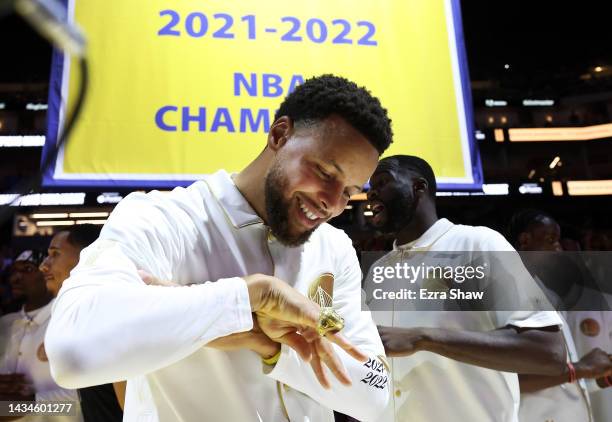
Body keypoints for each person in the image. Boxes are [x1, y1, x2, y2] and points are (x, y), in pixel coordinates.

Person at [45, 75, 393, 421]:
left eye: (348, 191)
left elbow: (376, 396)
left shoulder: (334, 247)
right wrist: (247, 298)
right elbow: (72, 353)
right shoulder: (165, 219)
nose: (332, 204)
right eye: (324, 172)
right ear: (279, 135)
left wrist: (270, 345)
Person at [364, 155, 566, 422]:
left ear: (419, 187)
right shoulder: (377, 272)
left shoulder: (478, 244)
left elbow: (548, 352)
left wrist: (424, 338)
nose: (371, 193)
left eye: (382, 182)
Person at [509, 210, 612, 422]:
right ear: (525, 240)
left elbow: (565, 374)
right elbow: (509, 378)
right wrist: (582, 369)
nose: (559, 248)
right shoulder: (508, 293)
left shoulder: (547, 293)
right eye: (550, 240)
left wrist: (599, 377)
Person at [40, 224, 125, 422]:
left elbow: (128, 404)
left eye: (55, 254)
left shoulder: (108, 313)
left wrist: (15, 405)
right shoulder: (67, 315)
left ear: (87, 256)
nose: (43, 265)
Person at [0, 250, 83, 421]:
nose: (15, 278)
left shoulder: (68, 319)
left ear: (46, 273)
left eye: (28, 269)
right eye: (14, 271)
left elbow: (82, 400)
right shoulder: (5, 324)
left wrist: (21, 406)